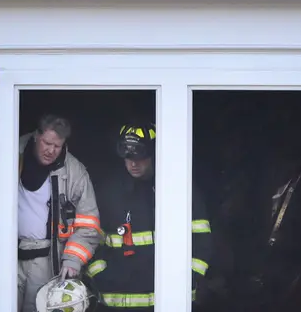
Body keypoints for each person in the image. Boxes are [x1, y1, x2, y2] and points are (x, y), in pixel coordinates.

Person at [85, 123, 213, 309]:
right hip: (118, 302)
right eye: (128, 158)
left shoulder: (179, 188)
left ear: (154, 153)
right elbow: (90, 237)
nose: (133, 164)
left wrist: (189, 276)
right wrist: (101, 275)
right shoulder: (108, 192)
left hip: (171, 301)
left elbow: (202, 239)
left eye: (140, 157)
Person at [18, 114, 102, 312]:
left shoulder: (75, 172)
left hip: (46, 261)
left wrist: (73, 259)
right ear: (36, 136)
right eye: (47, 143)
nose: (51, 151)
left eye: (57, 146)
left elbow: (89, 225)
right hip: (6, 255)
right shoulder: (10, 151)